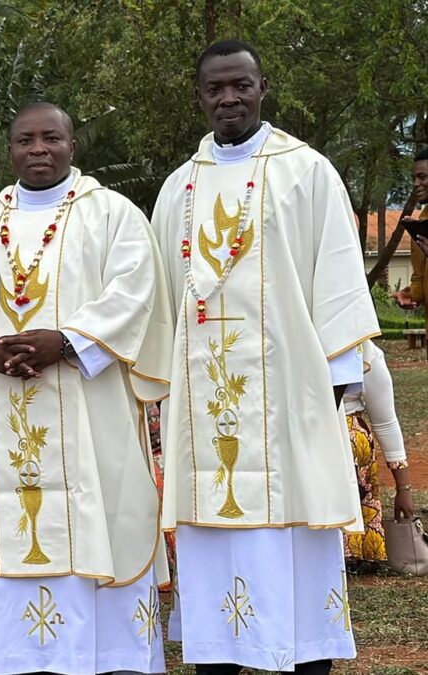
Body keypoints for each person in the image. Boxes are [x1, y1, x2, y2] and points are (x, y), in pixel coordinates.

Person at [151, 41, 379, 674]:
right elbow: (163, 301)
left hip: (292, 398)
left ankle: (306, 661)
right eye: (215, 89)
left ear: (262, 87)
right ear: (200, 96)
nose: (229, 99)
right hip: (205, 406)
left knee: (297, 536)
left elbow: (336, 276)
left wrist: (335, 384)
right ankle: (219, 662)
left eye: (241, 86)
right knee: (214, 548)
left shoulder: (307, 172)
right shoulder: (179, 188)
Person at [0, 102, 171, 675]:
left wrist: (65, 341)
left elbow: (135, 293)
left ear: (71, 145)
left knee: (103, 523)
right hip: (3, 405)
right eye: (25, 140)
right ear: (10, 149)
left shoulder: (113, 214)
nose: (38, 150)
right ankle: (20, 661)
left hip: (92, 408)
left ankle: (110, 660)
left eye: (51, 139)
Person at [343, 340, 416, 564]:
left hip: (347, 440)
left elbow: (385, 422)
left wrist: (403, 488)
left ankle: (350, 552)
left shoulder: (364, 350)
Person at [395, 148, 428, 358]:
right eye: (414, 178)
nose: (416, 184)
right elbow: (419, 277)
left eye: (422, 177)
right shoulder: (421, 222)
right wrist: (410, 295)